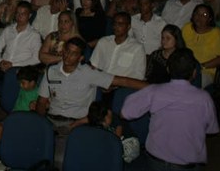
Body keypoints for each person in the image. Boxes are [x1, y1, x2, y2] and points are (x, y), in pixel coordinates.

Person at [36, 37, 147, 169]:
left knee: (60, 160)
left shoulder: (88, 73)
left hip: (76, 124)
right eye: (67, 51)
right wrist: (40, 124)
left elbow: (123, 81)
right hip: (51, 121)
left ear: (81, 58)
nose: (68, 56)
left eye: (74, 53)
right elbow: (42, 102)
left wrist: (155, 89)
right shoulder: (51, 71)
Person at [122, 48, 220, 170]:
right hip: (187, 166)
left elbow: (126, 112)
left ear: (168, 69)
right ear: (195, 72)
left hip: (155, 162)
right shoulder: (204, 99)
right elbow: (211, 129)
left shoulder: (154, 91)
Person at [182, 4, 220, 88]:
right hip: (185, 69)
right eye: (197, 14)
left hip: (205, 71)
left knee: (188, 86)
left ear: (210, 19)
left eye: (204, 15)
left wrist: (200, 67)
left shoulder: (216, 33)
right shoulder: (187, 28)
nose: (200, 17)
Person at [90, 12, 146, 80]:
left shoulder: (137, 48)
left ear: (128, 27)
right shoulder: (103, 42)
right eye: (114, 23)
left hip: (122, 86)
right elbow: (94, 65)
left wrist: (117, 84)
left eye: (120, 24)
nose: (116, 26)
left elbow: (139, 75)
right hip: (100, 82)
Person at [0, 1, 42, 71]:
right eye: (17, 13)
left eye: (23, 14)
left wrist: (13, 64)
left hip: (20, 69)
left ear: (30, 15)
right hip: (2, 67)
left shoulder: (34, 35)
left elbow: (37, 59)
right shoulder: (8, 29)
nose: (19, 16)